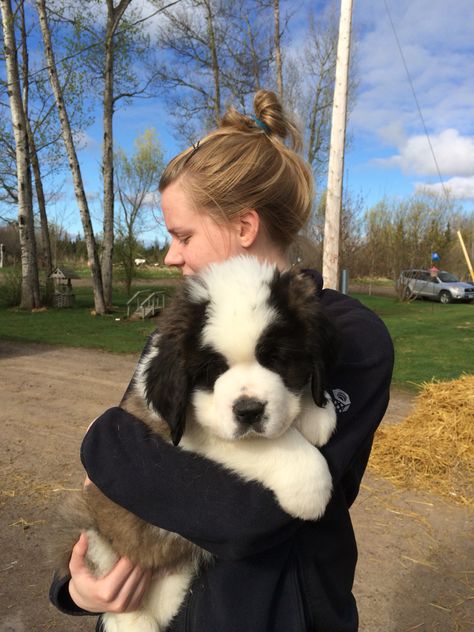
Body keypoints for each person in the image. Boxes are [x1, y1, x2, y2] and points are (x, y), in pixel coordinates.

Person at [49, 90, 394, 631]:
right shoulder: (189, 326)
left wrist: (103, 441)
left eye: (183, 235)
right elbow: (126, 472)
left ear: (243, 226)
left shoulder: (350, 334)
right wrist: (77, 587)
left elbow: (242, 514)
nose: (170, 255)